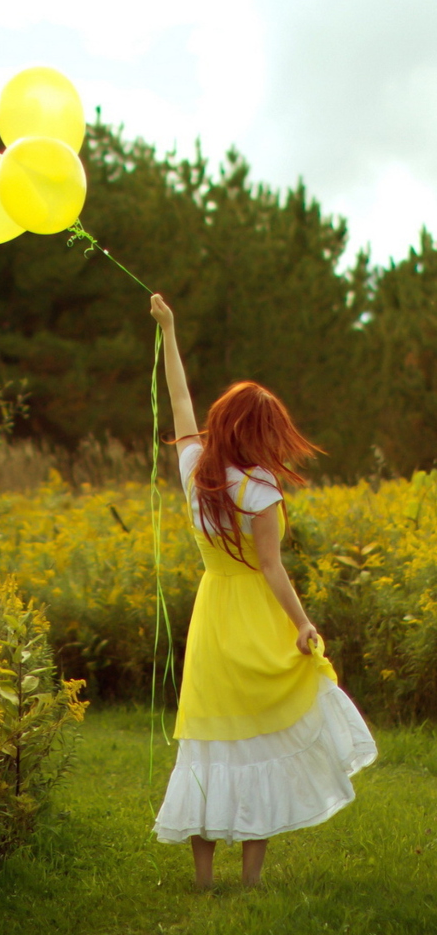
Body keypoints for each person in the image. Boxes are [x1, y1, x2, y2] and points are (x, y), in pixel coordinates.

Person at [149, 293, 377, 890]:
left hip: (211, 613)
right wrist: (302, 625)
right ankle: (249, 884)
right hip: (253, 615)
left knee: (205, 742)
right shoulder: (262, 489)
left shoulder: (194, 467)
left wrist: (168, 329)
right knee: (261, 742)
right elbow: (272, 568)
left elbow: (178, 398)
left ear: (221, 424)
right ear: (261, 434)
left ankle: (204, 881)